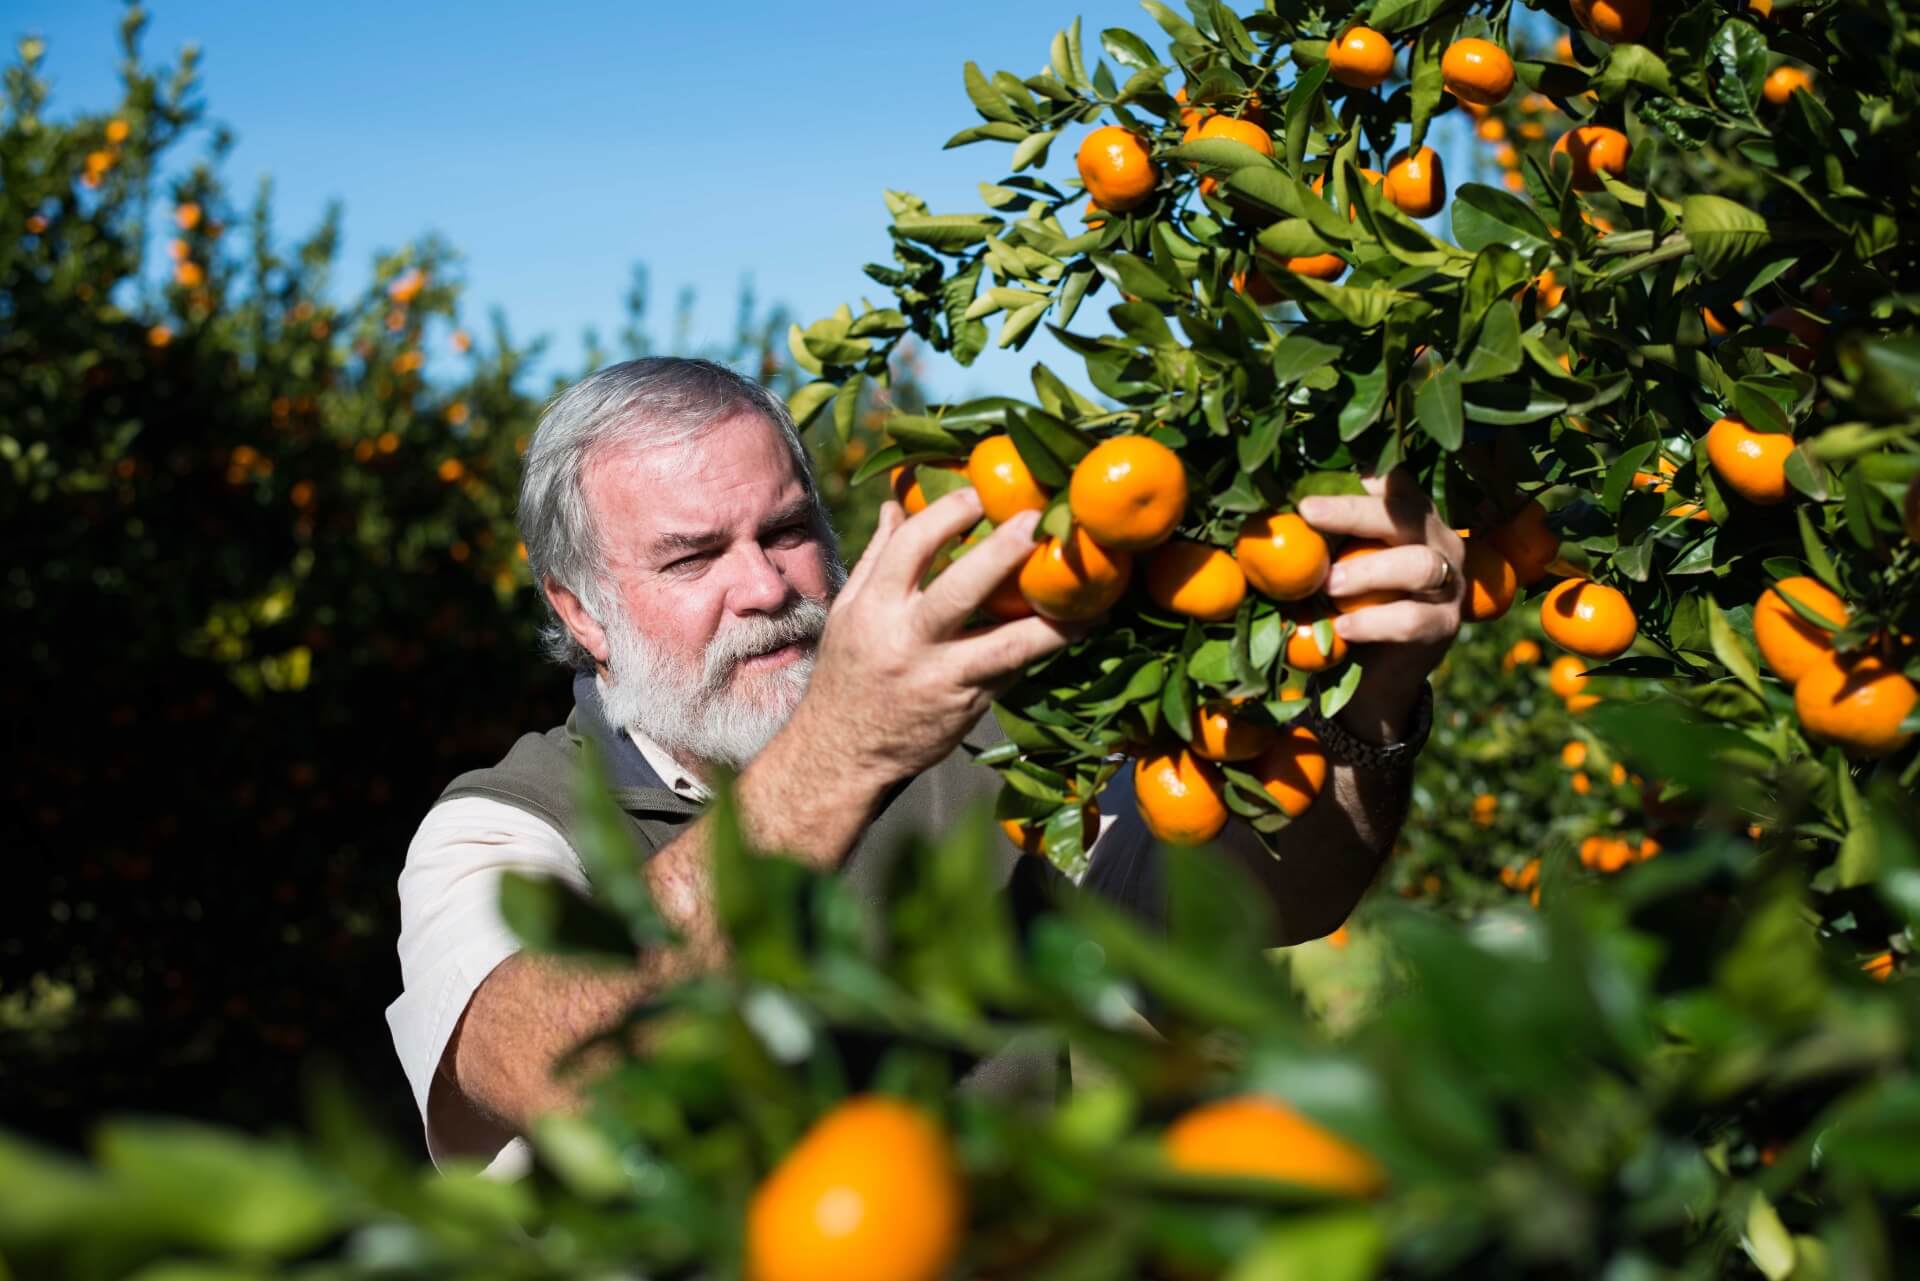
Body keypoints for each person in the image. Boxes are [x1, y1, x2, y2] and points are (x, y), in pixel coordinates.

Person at [386, 357, 1465, 1175]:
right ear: (582, 611)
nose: (766, 587)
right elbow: (568, 1074)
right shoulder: (503, 828)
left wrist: (1376, 696)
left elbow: (1263, 896)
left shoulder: (994, 749)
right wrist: (843, 748)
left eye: (789, 529)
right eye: (694, 557)